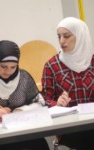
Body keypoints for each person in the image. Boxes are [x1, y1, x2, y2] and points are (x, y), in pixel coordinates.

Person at [0, 40, 50, 150]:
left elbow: (40, 103)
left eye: (13, 67)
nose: (8, 71)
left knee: (39, 145)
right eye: (3, 66)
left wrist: (21, 111)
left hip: (24, 133)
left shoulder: (24, 78)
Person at [41, 17, 94, 149]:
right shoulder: (52, 65)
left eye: (66, 36)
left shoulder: (92, 62)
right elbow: (44, 99)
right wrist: (56, 104)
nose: (61, 41)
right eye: (59, 36)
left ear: (80, 36)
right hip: (70, 128)